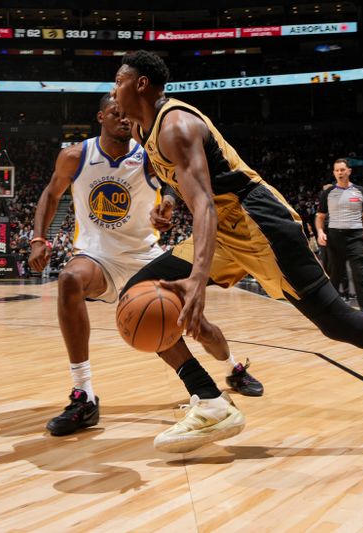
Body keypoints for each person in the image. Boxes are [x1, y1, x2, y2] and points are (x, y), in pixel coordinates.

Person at [112, 50, 363, 453]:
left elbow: (206, 202)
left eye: (117, 81)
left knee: (337, 322)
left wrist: (196, 281)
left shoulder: (176, 124)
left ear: (140, 84)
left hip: (258, 223)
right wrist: (169, 206)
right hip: (221, 230)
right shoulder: (143, 131)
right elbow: (190, 187)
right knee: (138, 295)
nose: (112, 90)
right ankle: (210, 402)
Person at [28, 94, 264, 437]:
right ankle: (84, 396)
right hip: (98, 257)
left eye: (127, 114)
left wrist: (167, 202)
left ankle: (233, 369)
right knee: (68, 280)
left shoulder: (148, 154)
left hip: (146, 257)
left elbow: (173, 179)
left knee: (199, 328)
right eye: (116, 113)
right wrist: (38, 238)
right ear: (101, 117)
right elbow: (51, 195)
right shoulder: (75, 156)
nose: (124, 118)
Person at [315, 159, 363, 314]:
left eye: (343, 170)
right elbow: (320, 217)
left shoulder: (360, 191)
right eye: (337, 170)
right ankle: (333, 314)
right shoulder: (327, 193)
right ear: (334, 173)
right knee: (334, 278)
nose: (340, 173)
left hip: (356, 237)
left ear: (349, 171)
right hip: (334, 238)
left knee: (360, 277)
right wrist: (320, 232)